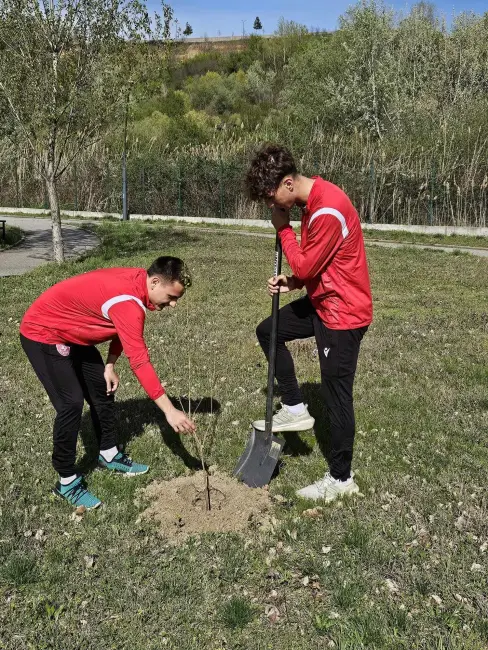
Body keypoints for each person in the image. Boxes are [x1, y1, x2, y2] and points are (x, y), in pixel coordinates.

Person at [246, 144, 373, 502]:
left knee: (336, 398)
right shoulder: (312, 202)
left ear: (288, 183)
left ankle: (341, 479)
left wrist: (283, 229)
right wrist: (295, 283)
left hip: (342, 315)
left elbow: (305, 263)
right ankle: (295, 406)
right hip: (323, 302)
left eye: (272, 199)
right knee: (268, 330)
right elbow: (320, 263)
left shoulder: (327, 210)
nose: (272, 207)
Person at [19, 257, 196, 510]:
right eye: (171, 296)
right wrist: (169, 411)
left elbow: (122, 327)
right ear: (155, 282)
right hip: (44, 331)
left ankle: (108, 453)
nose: (174, 304)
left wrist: (110, 364)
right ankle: (66, 481)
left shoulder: (139, 283)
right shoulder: (129, 304)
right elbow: (140, 362)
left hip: (73, 329)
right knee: (70, 403)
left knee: (102, 390)